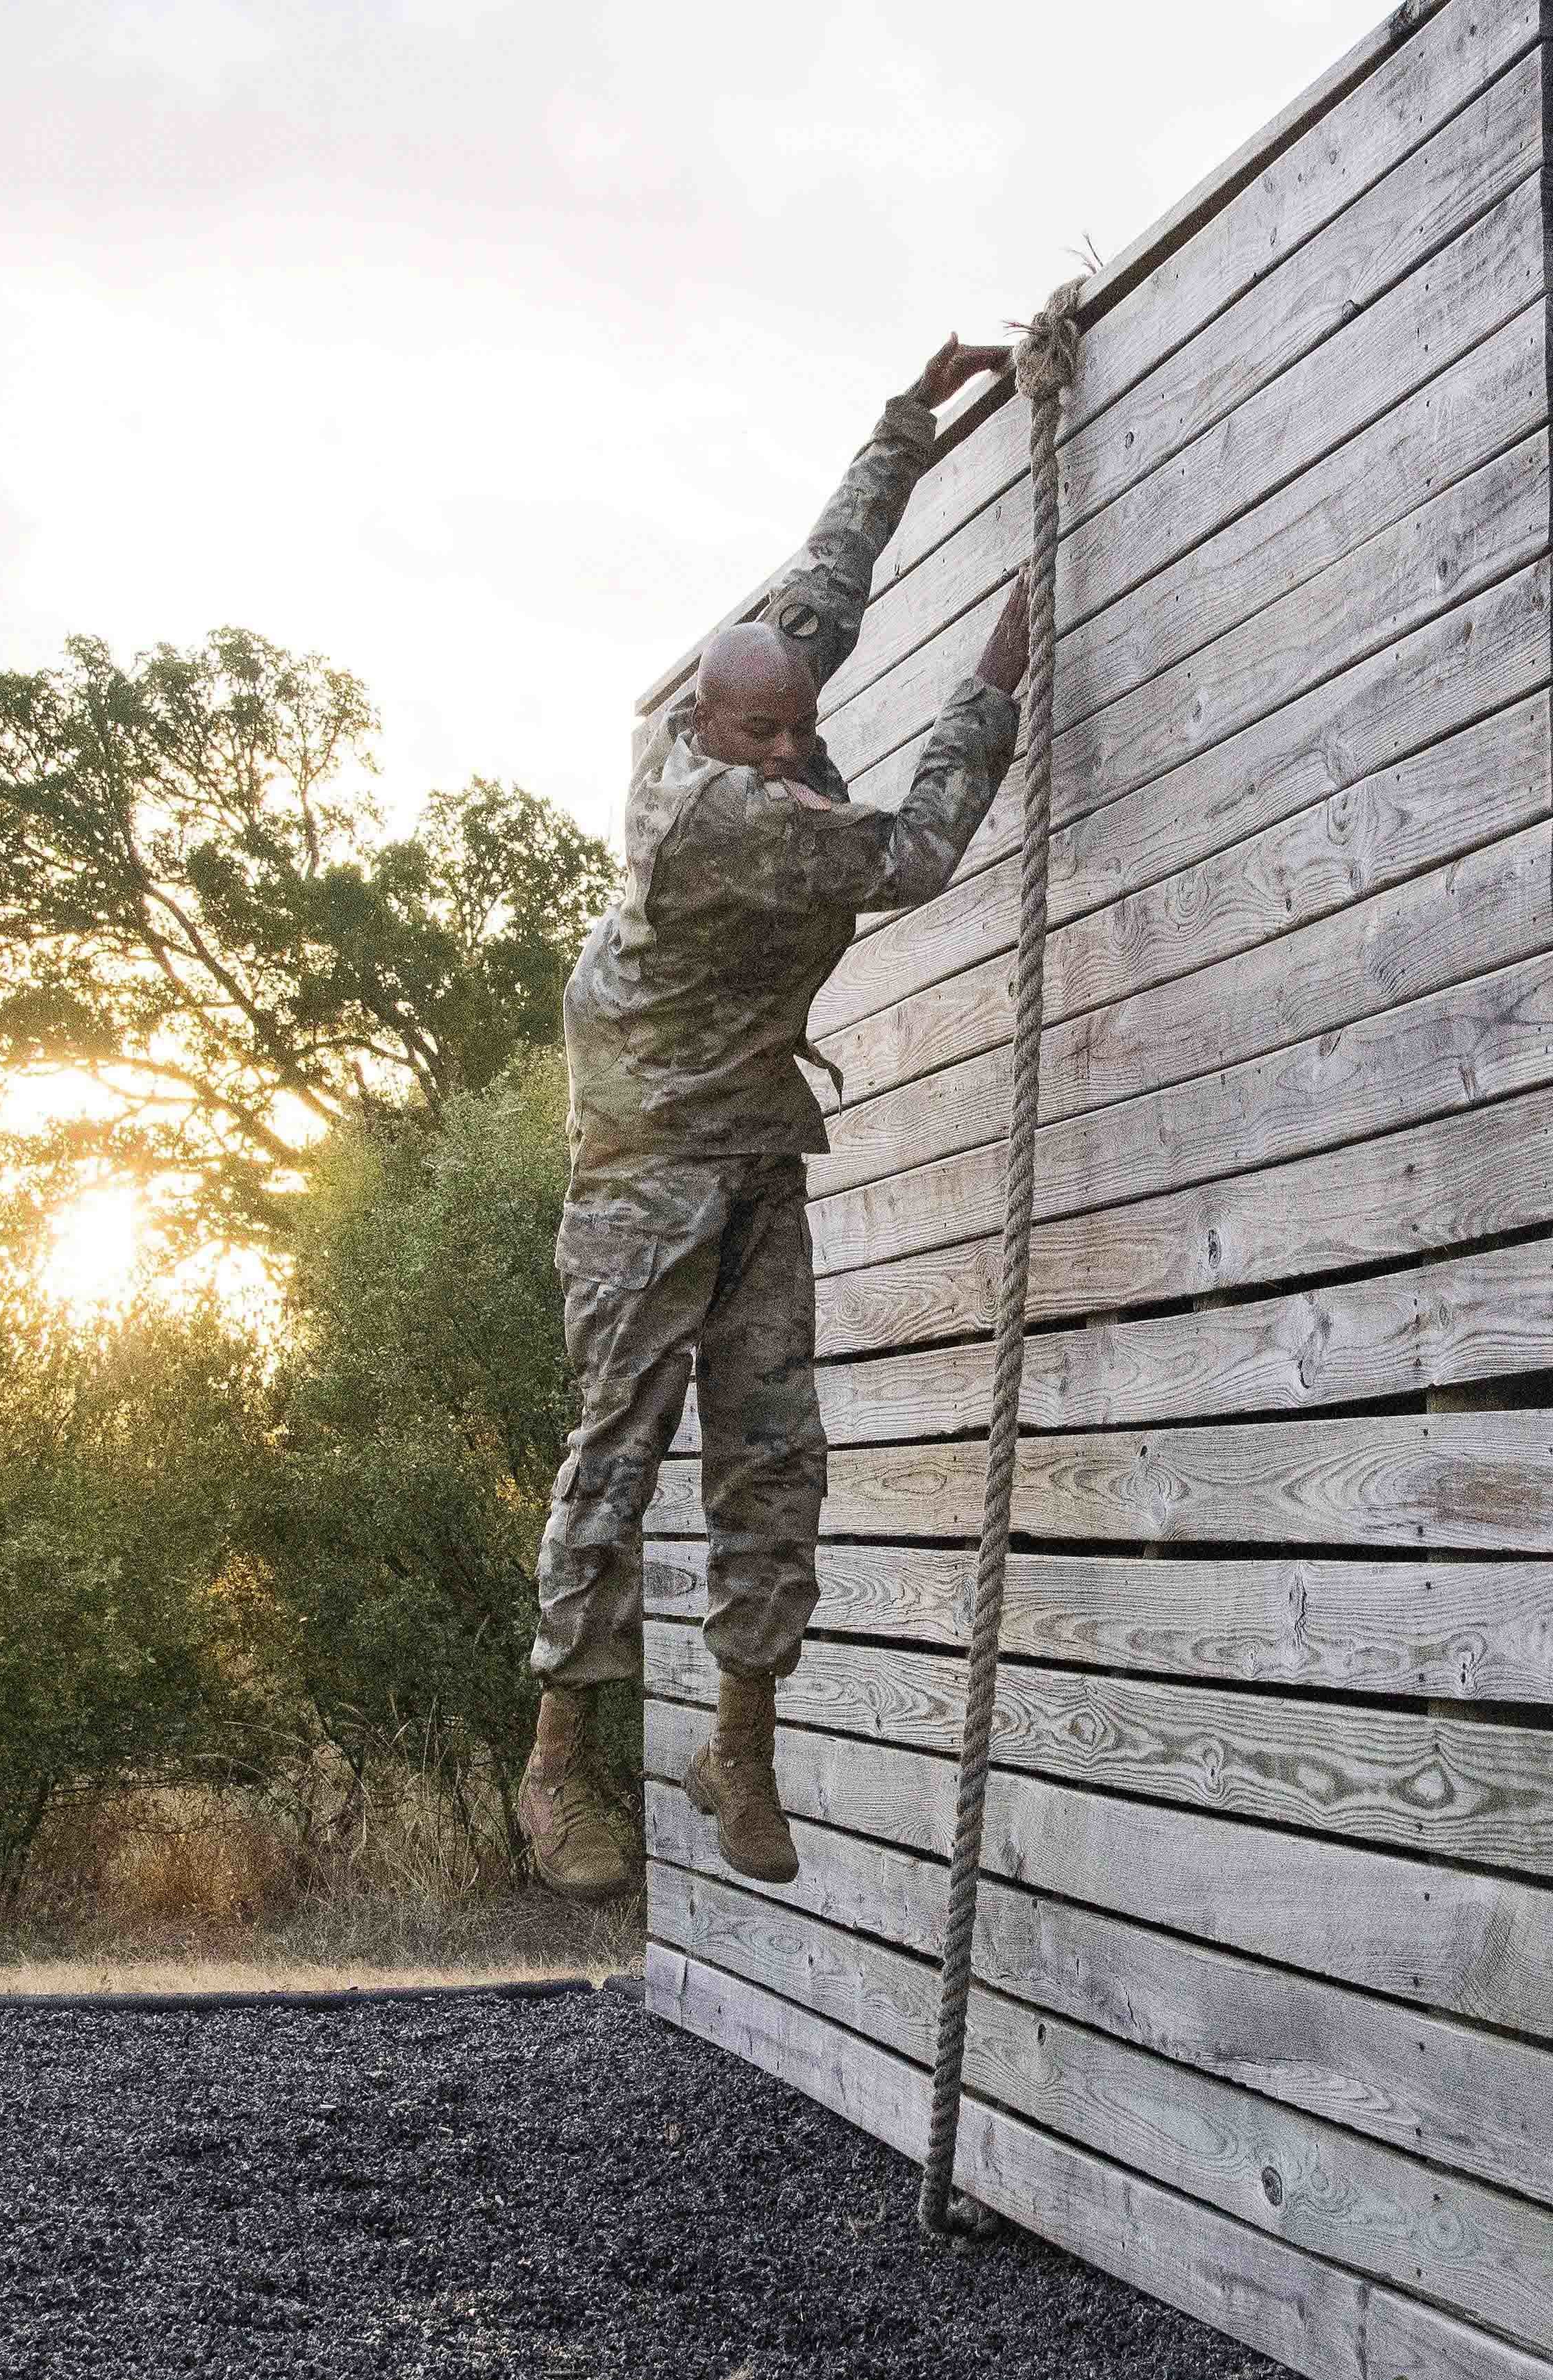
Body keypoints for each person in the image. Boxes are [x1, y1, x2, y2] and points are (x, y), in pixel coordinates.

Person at [522, 336, 1036, 1900]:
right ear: (706, 731)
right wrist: (989, 690)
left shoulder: (759, 701)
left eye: (796, 727)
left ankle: (737, 1739)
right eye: (764, 735)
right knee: (618, 1448)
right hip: (641, 1168)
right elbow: (914, 854)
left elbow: (827, 569)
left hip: (746, 1147)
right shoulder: (719, 824)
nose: (791, 750)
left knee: (772, 1454)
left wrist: (908, 417)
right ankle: (555, 1766)